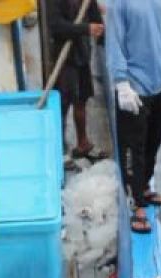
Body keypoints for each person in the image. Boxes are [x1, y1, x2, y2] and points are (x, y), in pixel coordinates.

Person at [105, 0, 161, 234]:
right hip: (134, 86)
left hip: (157, 82)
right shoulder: (119, 4)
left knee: (155, 138)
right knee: (133, 149)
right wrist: (121, 83)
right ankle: (136, 204)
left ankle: (146, 186)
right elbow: (114, 45)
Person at [48, 0, 106, 160]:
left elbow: (95, 18)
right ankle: (60, 150)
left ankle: (83, 143)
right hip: (64, 57)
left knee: (82, 99)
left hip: (82, 53)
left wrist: (103, 35)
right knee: (63, 104)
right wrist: (86, 29)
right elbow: (55, 26)